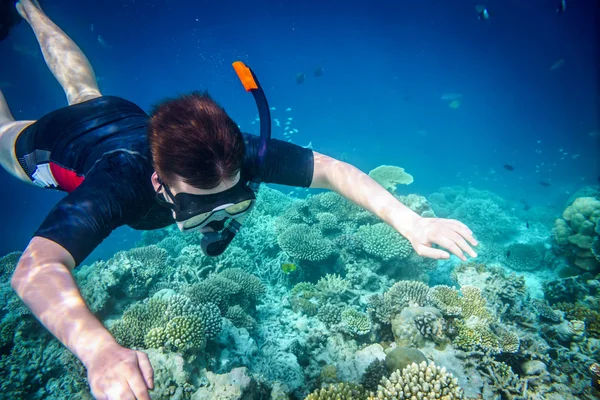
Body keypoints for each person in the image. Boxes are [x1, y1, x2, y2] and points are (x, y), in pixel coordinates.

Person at [1, 1, 478, 399]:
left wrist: (411, 223)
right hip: (56, 146)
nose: (220, 215)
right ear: (159, 186)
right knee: (5, 133)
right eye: (197, 208)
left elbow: (334, 171)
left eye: (237, 199)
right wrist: (99, 351)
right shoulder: (119, 182)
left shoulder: (239, 153)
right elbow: (36, 269)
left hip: (119, 114)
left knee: (86, 90)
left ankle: (30, 6)